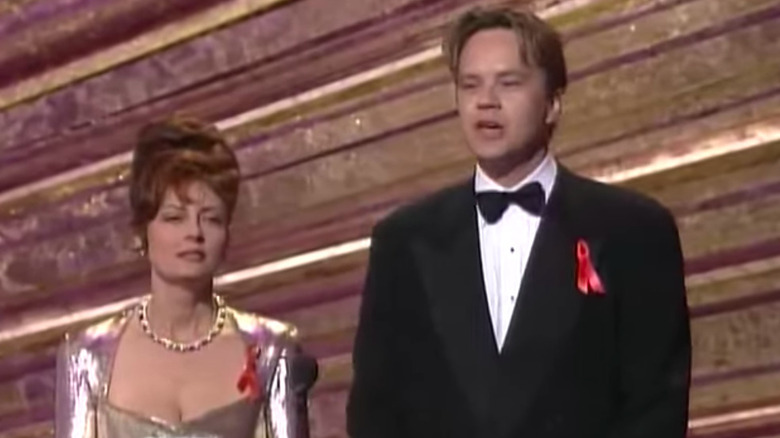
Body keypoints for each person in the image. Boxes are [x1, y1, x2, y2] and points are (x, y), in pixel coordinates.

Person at [347, 6, 691, 438]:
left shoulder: (634, 231)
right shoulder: (403, 241)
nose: (485, 100)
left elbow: (655, 410)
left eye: (508, 83)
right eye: (470, 85)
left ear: (553, 103)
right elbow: (375, 413)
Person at [55, 117, 312, 438]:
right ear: (141, 232)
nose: (194, 233)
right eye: (175, 218)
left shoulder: (271, 350)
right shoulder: (87, 356)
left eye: (212, 219)